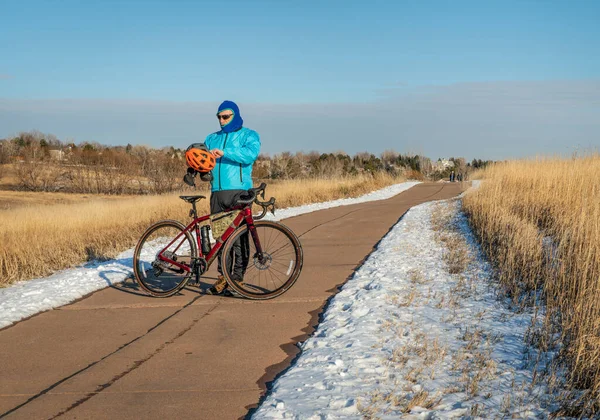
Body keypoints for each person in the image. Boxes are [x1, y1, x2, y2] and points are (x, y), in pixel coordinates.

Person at [204, 100, 261, 295]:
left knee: (239, 238)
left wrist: (226, 152)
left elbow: (249, 155)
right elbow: (203, 160)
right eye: (219, 117)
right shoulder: (211, 138)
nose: (221, 120)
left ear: (235, 115)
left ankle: (237, 280)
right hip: (217, 192)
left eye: (225, 116)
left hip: (239, 191)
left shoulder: (249, 135)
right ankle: (223, 277)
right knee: (220, 238)